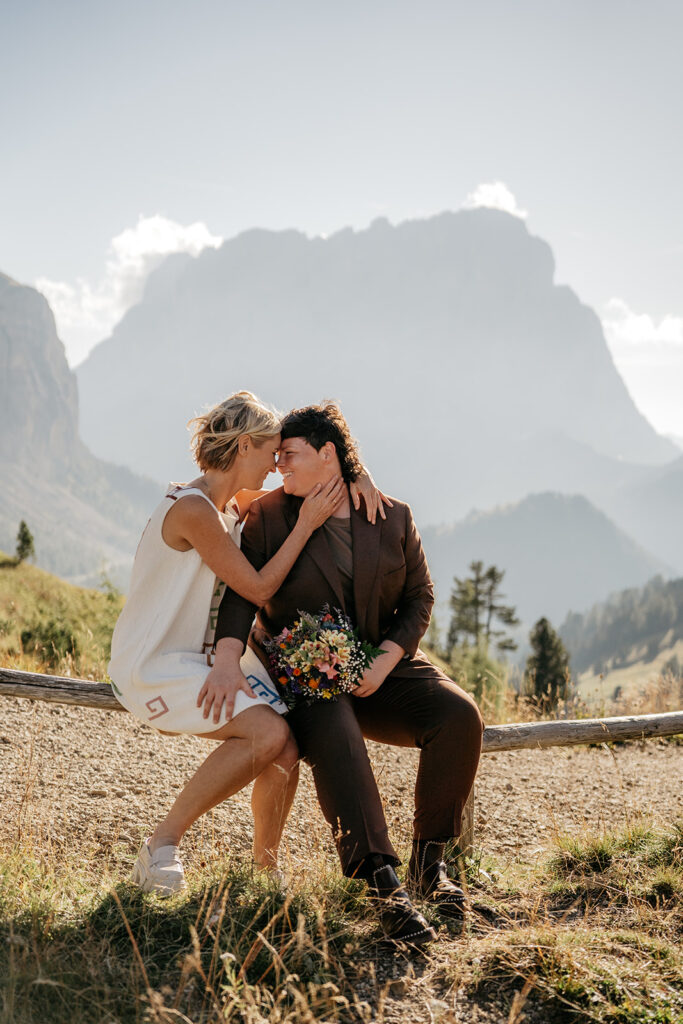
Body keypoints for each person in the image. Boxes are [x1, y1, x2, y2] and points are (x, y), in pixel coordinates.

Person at [212, 401, 484, 945]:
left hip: (380, 664)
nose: (279, 465)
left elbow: (419, 596)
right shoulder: (265, 516)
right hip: (306, 675)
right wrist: (225, 654)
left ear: (328, 454)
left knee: (460, 716)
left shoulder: (392, 515)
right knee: (334, 727)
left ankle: (430, 865)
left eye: (289, 455)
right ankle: (381, 882)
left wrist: (387, 658)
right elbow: (243, 595)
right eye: (277, 456)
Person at [108, 391, 385, 896]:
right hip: (152, 663)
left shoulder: (228, 502)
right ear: (242, 449)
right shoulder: (193, 510)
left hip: (197, 656)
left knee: (287, 745)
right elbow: (256, 589)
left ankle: (264, 873)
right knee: (266, 735)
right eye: (271, 452)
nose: (278, 465)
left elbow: (316, 485)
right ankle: (160, 847)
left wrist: (354, 473)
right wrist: (303, 527)